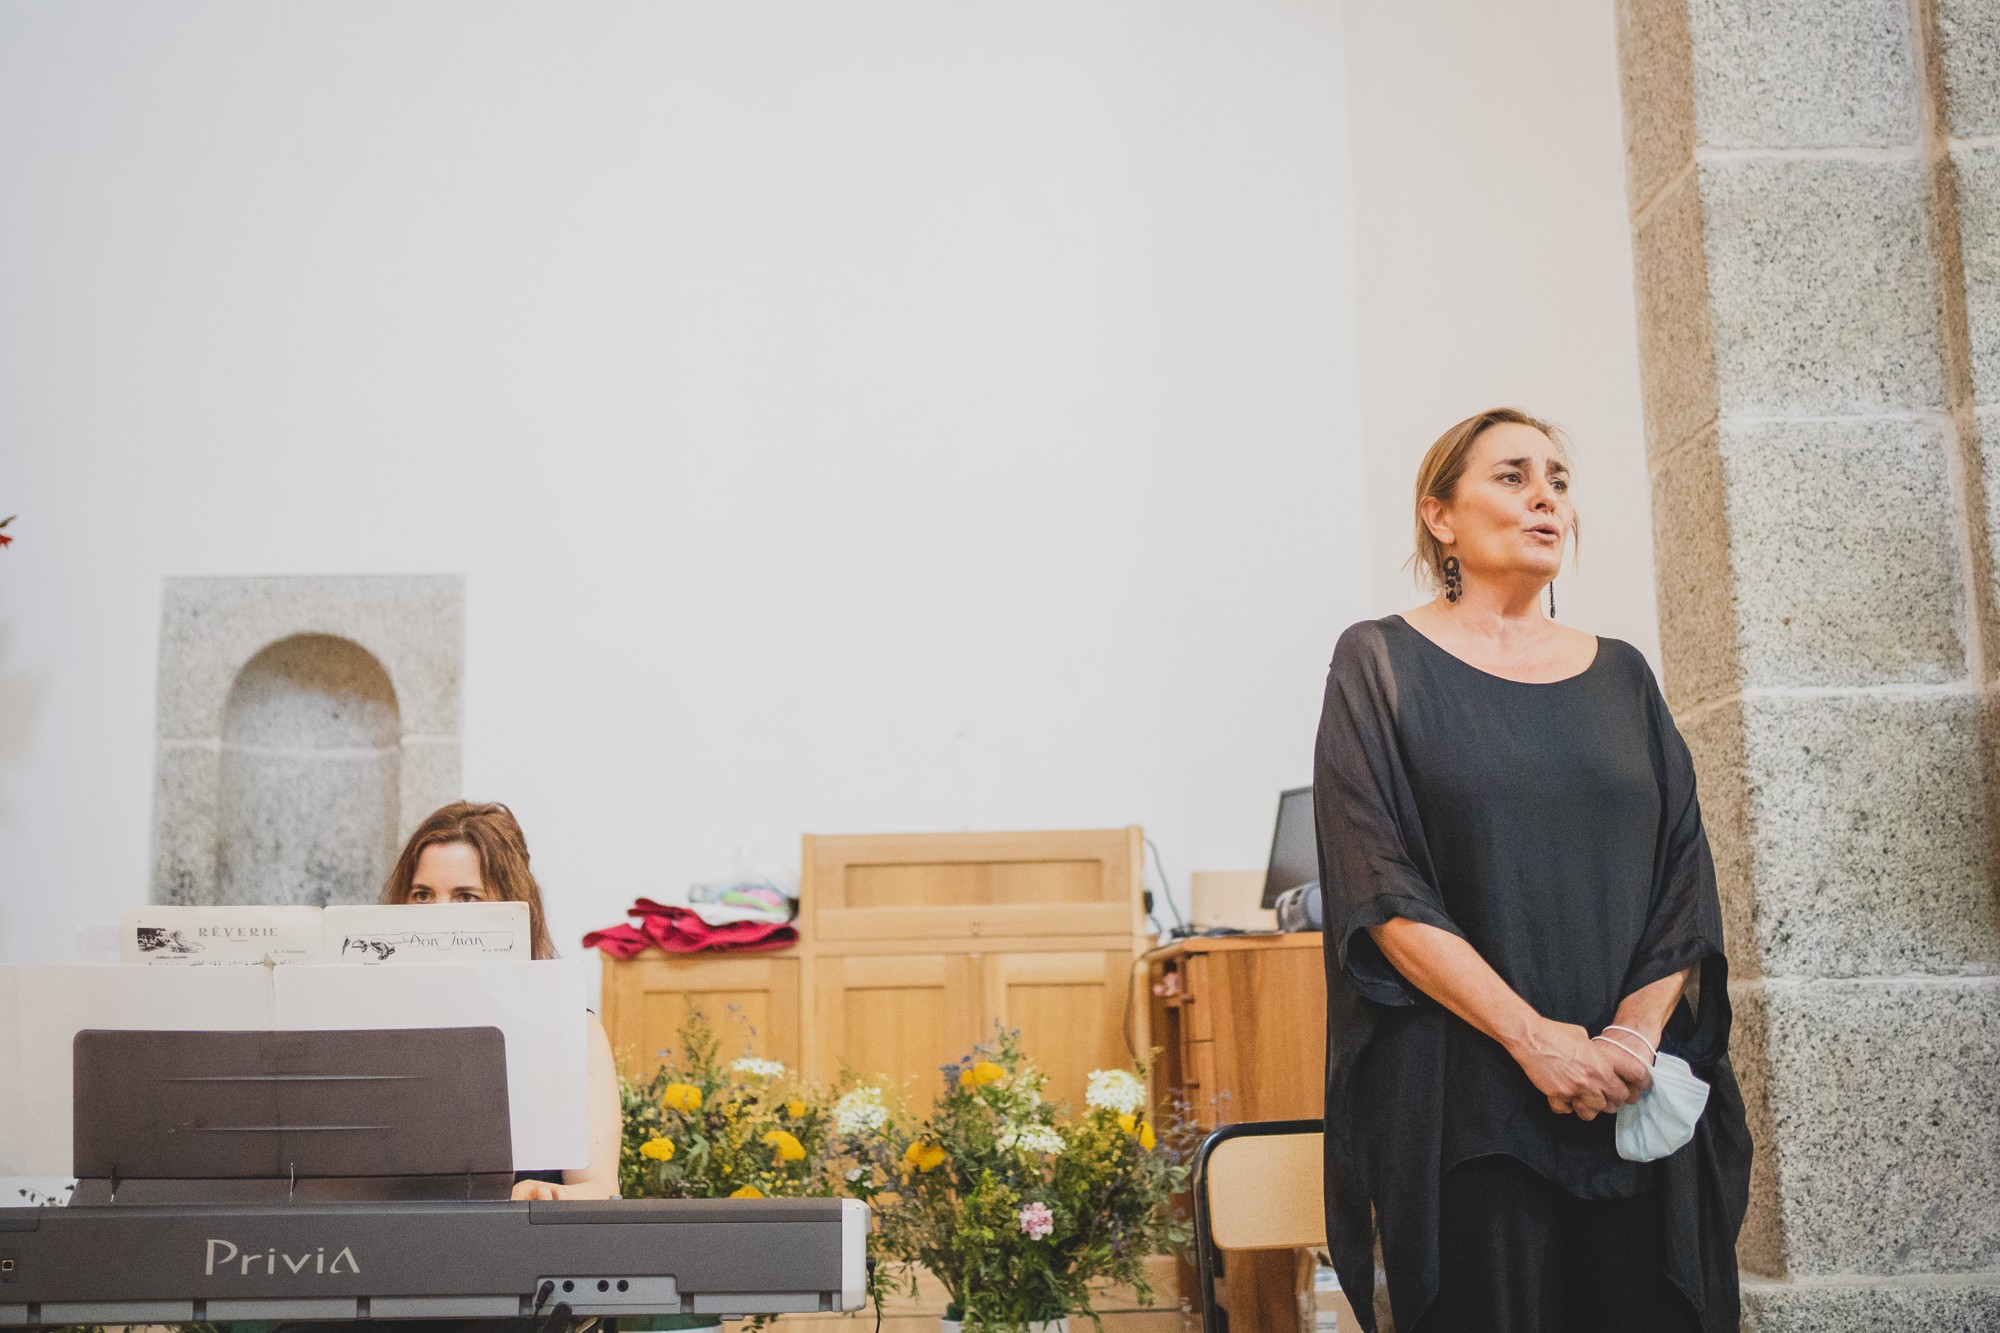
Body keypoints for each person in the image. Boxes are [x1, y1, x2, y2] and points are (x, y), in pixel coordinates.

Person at [1314, 408, 1750, 1333]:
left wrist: (1630, 1038)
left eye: (1557, 479)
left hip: (1631, 1094)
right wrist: (1533, 1039)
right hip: (1470, 1102)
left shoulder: (1623, 674)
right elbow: (1381, 889)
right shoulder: (1378, 662)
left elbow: (1684, 874)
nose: (1545, 496)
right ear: (1440, 516)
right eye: (1512, 476)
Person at [381, 800, 621, 1201]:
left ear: (512, 904)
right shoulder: (372, 1020)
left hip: (513, 1236)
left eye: (466, 897)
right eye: (422, 895)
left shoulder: (571, 1029)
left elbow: (599, 1189)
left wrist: (544, 1195)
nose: (439, 917)